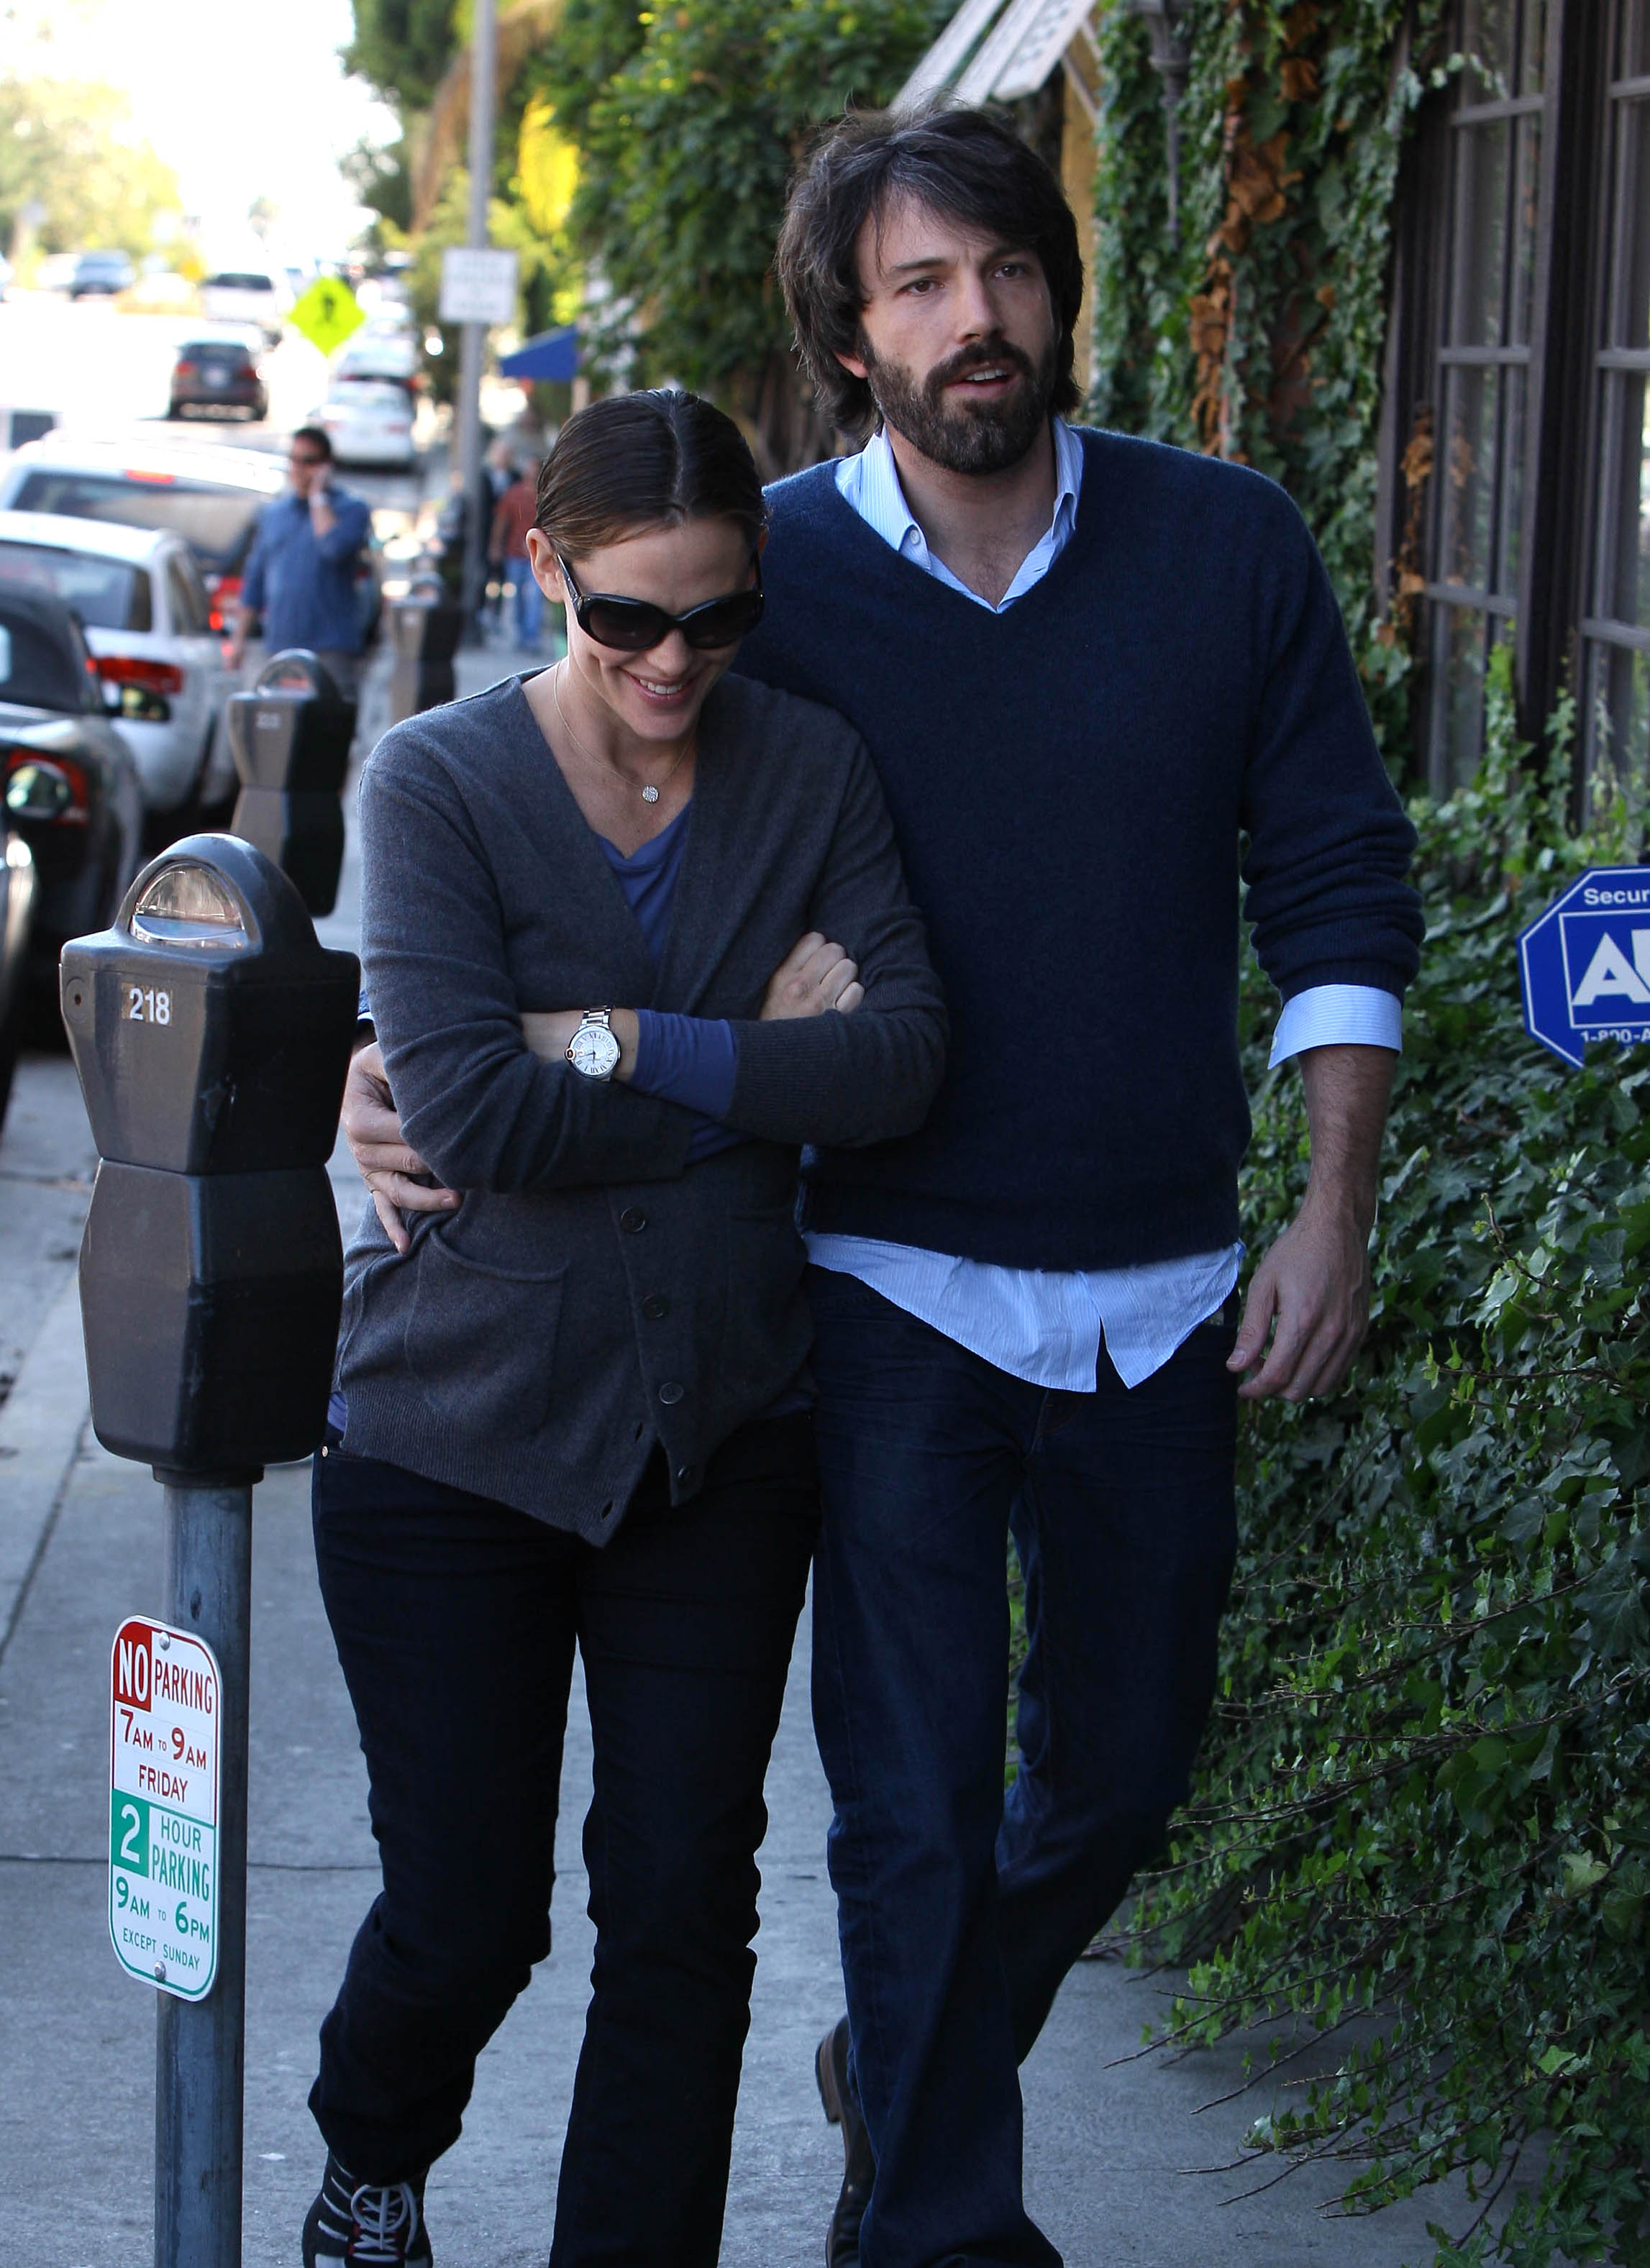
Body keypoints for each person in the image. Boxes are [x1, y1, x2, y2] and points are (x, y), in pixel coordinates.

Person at [344, 105, 1424, 2268]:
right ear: (847, 337)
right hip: (871, 1281)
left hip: (1155, 1277)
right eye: (918, 284)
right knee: (902, 1809)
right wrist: (392, 1081)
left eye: (1004, 269)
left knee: (1119, 1773)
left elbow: (1332, 881)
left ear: (1057, 291)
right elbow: (560, 809)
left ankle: (907, 2060)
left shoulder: (1221, 545)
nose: (974, 317)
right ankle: (931, 2231)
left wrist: (1332, 1202)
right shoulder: (761, 579)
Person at [305, 388, 944, 2267]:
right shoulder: (435, 782)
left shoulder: (808, 768)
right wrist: (755, 1065)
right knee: (467, 1912)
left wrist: (603, 1036)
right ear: (545, 570)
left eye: (717, 615)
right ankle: (369, 2157)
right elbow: (466, 1118)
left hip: (720, 1436)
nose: (674, 659)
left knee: (681, 1909)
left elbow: (899, 1060)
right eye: (627, 617)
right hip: (449, 1435)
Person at [229, 426, 370, 693]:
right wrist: (238, 641)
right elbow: (255, 581)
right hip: (280, 648)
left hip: (331, 650)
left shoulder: (351, 510)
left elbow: (333, 548)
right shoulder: (274, 514)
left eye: (308, 461)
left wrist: (318, 496)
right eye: (293, 459)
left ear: (326, 466)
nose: (298, 469)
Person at [489, 457, 544, 648]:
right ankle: (521, 635)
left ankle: (531, 637)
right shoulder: (514, 493)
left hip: (538, 552)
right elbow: (501, 521)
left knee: (534, 595)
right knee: (518, 595)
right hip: (514, 551)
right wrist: (496, 545)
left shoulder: (544, 494)